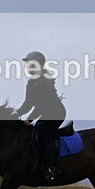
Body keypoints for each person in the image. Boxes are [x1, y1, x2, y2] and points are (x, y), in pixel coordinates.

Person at [11, 51, 66, 180]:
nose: (28, 66)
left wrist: (30, 118)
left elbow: (43, 104)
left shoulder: (44, 80)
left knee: (45, 136)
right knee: (34, 135)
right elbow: (28, 103)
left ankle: (55, 169)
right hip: (46, 113)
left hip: (55, 112)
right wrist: (17, 112)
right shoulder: (31, 82)